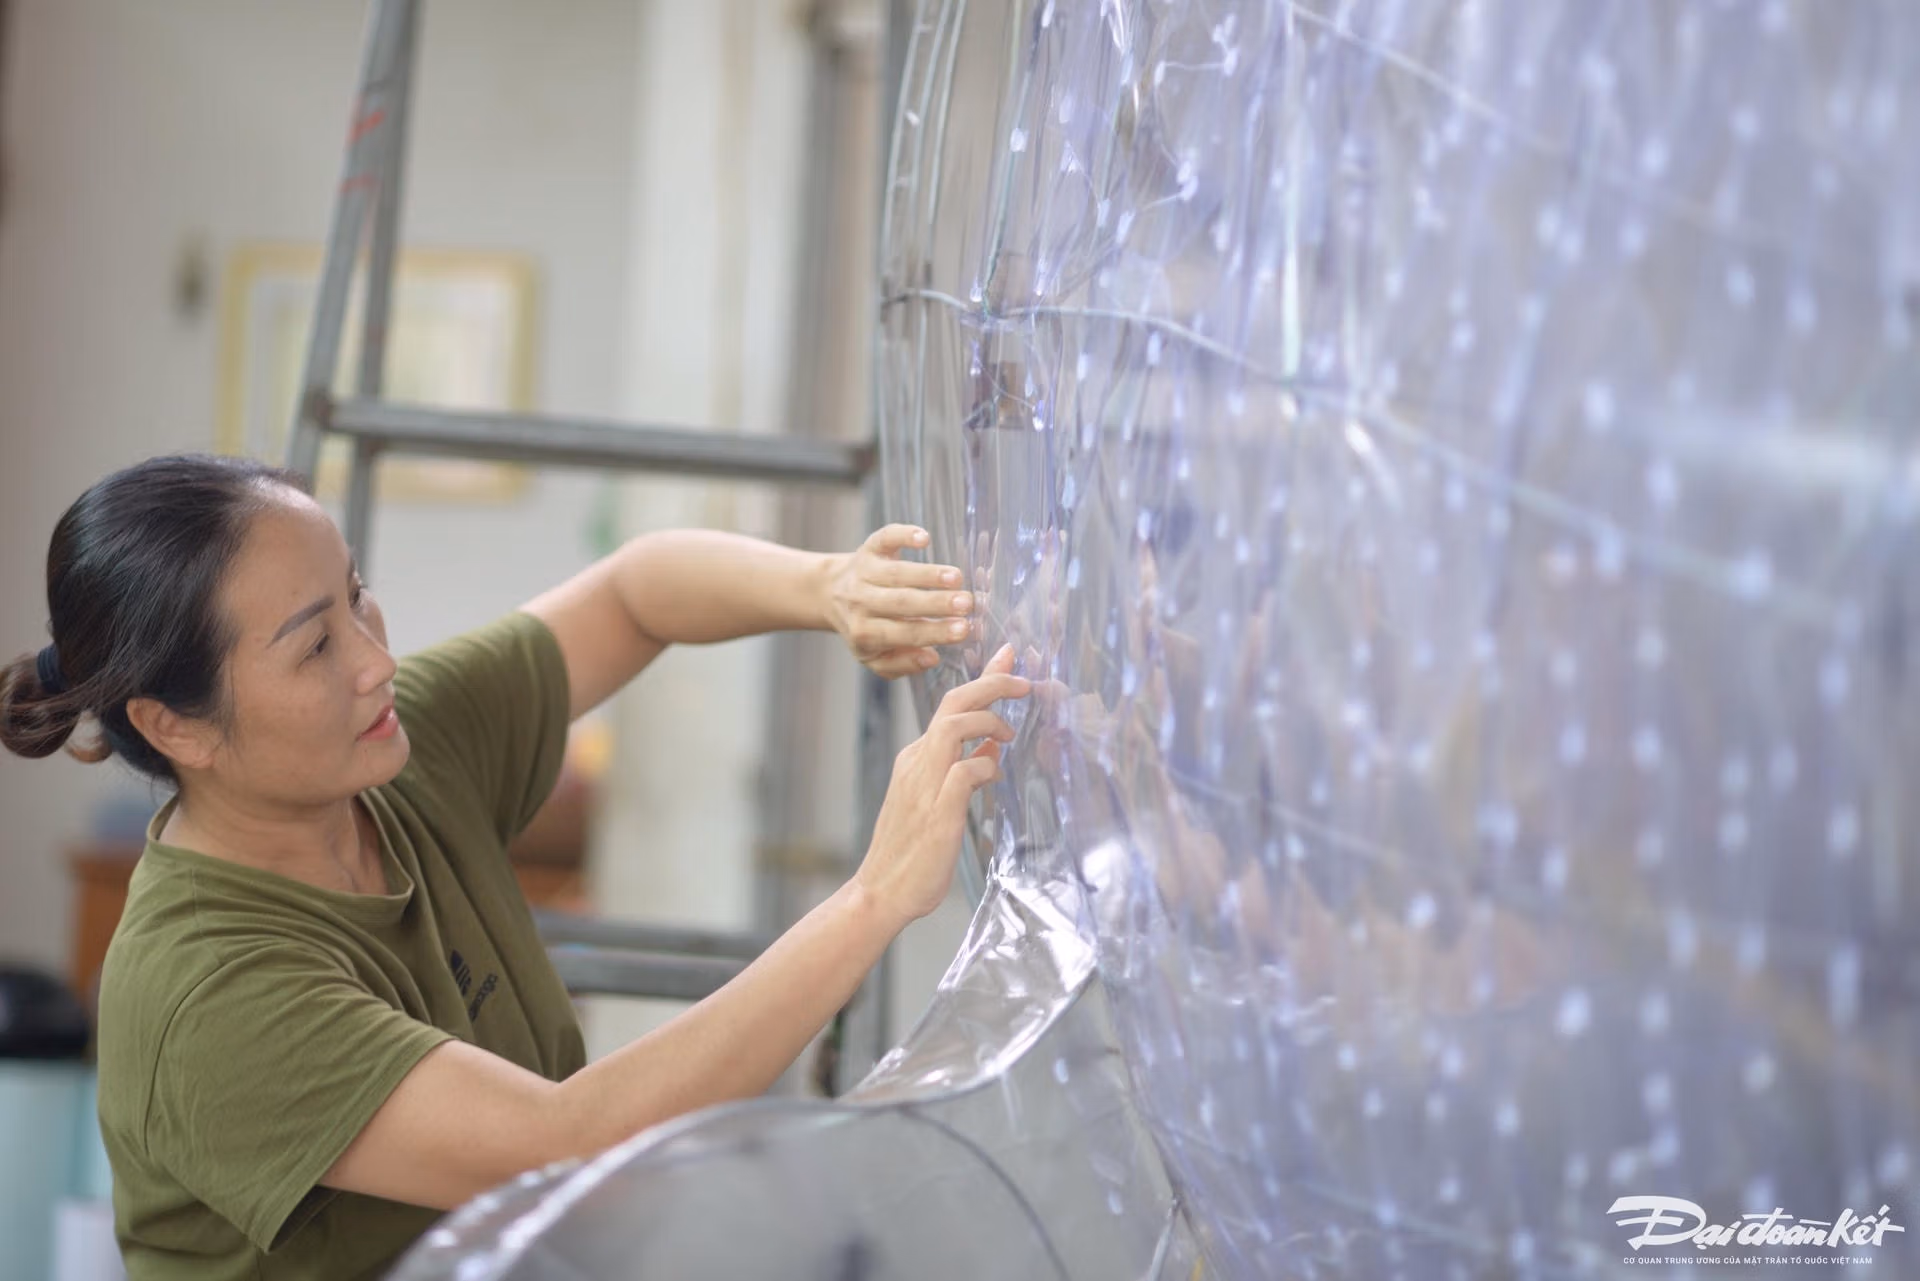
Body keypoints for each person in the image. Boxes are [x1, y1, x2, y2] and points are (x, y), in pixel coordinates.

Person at [0, 453, 1030, 1280]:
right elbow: (569, 1146)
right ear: (173, 726)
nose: (375, 659)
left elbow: (633, 596)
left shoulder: (392, 750)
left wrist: (830, 586)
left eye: (357, 596)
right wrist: (875, 896)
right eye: (315, 647)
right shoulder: (208, 991)